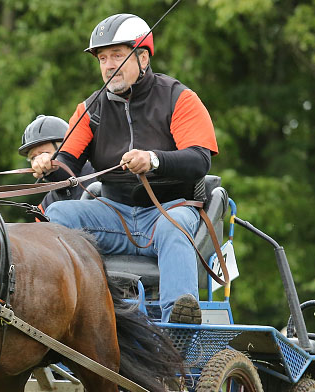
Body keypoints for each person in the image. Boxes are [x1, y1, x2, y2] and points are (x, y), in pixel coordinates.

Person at [31, 13, 218, 323]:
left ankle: (179, 328)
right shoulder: (90, 109)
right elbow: (68, 167)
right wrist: (49, 166)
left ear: (142, 58)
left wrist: (154, 159)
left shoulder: (179, 98)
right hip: (113, 217)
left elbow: (200, 159)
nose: (107, 65)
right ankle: (59, 314)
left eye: (117, 55)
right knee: (56, 216)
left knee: (175, 227)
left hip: (167, 212)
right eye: (102, 58)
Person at [18, 115, 94, 215]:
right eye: (33, 158)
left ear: (65, 150)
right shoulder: (44, 207)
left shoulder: (98, 174)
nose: (38, 162)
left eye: (43, 153)